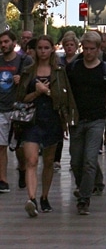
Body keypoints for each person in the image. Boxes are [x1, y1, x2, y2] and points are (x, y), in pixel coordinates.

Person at [15, 35, 78, 217]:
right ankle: (32, 198)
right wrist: (36, 93)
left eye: (46, 48)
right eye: (40, 48)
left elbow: (64, 99)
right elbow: (20, 99)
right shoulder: (28, 72)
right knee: (32, 160)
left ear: (52, 49)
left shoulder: (59, 72)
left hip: (52, 120)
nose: (42, 51)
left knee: (48, 161)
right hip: (31, 121)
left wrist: (48, 92)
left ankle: (44, 197)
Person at [67, 30, 106, 215]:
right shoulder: (73, 68)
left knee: (89, 160)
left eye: (91, 49)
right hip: (76, 121)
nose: (88, 52)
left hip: (97, 120)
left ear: (98, 49)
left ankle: (84, 198)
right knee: (75, 161)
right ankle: (84, 187)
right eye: (85, 48)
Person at [0, 30, 33, 192]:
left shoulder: (25, 61)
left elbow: (33, 80)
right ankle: (3, 180)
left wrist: (23, 80)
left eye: (6, 42)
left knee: (18, 146)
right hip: (1, 108)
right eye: (1, 42)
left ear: (14, 43)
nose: (3, 45)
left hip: (18, 108)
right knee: (1, 145)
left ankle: (22, 168)